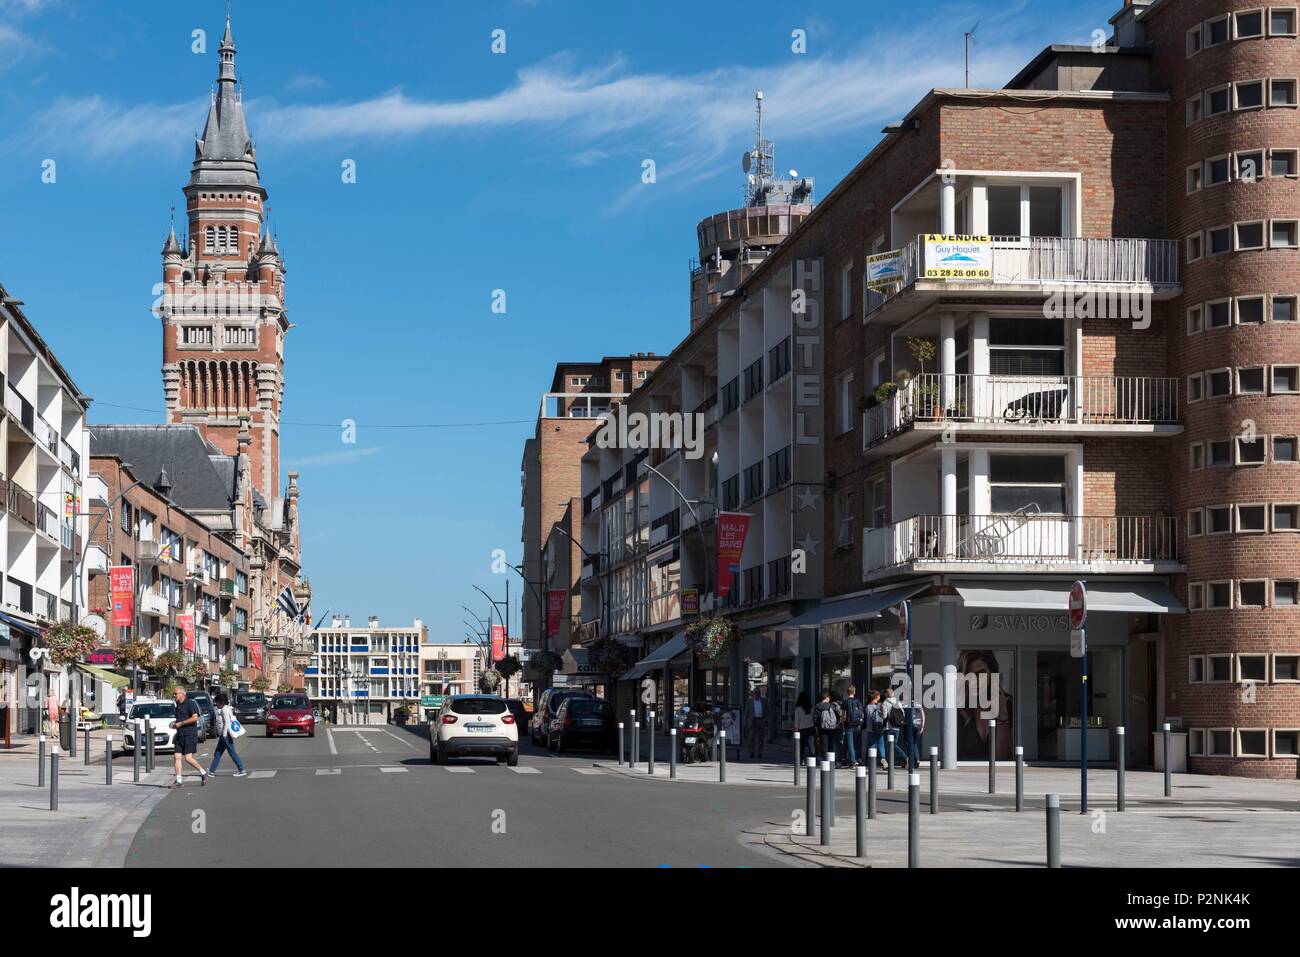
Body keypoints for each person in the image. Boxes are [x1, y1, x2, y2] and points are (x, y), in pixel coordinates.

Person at [169, 687, 208, 789]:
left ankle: (203, 772)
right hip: (180, 734)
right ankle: (179, 780)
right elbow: (179, 719)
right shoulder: (178, 705)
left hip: (189, 734)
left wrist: (181, 723)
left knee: (188, 758)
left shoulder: (190, 703)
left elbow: (195, 717)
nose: (174, 696)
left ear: (182, 694)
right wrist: (175, 724)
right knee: (176, 756)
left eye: (176, 693)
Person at [207, 692, 247, 778]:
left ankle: (241, 769)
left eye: (217, 702)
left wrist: (224, 735)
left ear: (221, 702)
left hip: (226, 735)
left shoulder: (225, 709)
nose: (216, 704)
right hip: (224, 735)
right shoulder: (226, 708)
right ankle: (211, 771)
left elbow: (227, 723)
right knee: (218, 753)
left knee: (232, 753)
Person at [881, 685, 910, 769]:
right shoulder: (898, 702)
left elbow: (884, 716)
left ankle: (903, 757)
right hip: (897, 727)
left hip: (888, 727)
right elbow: (903, 714)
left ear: (886, 695)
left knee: (890, 746)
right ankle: (902, 758)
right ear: (893, 694)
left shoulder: (885, 703)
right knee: (894, 745)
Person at [839, 685, 864, 767]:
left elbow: (842, 715)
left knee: (850, 744)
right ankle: (855, 758)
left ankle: (853, 761)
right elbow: (862, 714)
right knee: (855, 743)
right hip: (857, 725)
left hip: (848, 725)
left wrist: (842, 725)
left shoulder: (845, 702)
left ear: (847, 692)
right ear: (854, 692)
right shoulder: (858, 701)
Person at [813, 692, 839, 760]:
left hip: (822, 728)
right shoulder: (832, 706)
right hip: (832, 728)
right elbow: (837, 716)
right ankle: (832, 759)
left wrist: (816, 726)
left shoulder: (818, 706)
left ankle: (825, 759)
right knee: (831, 743)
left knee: (824, 743)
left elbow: (815, 718)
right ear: (827, 698)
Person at [865, 690, 888, 768]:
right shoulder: (880, 705)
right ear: (876, 697)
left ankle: (872, 762)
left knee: (872, 744)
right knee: (881, 744)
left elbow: (868, 717)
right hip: (879, 727)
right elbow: (885, 716)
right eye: (878, 695)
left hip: (870, 728)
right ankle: (883, 758)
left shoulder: (868, 706)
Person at [745, 688, 767, 760]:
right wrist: (745, 723)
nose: (757, 694)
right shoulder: (749, 701)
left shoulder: (763, 701)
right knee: (751, 737)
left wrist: (765, 720)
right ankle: (751, 752)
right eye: (755, 693)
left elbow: (767, 711)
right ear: (753, 694)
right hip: (752, 720)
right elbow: (746, 713)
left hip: (761, 720)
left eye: (758, 693)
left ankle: (759, 753)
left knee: (760, 738)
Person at [793, 692, 815, 759]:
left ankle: (801, 759)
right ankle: (812, 756)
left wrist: (796, 729)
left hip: (801, 728)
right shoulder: (812, 707)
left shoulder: (798, 709)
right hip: (811, 727)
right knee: (811, 743)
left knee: (801, 745)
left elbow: (797, 720)